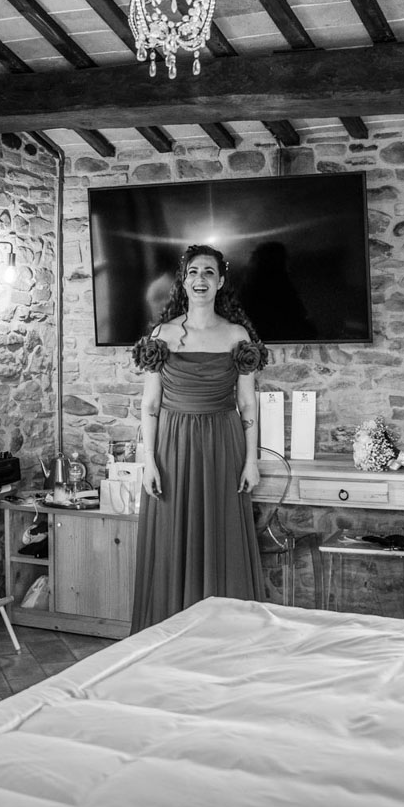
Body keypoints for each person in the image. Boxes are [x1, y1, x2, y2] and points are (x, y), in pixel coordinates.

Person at [130, 244, 268, 632]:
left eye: (208, 272)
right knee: (172, 538)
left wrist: (251, 461)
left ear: (220, 281)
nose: (200, 279)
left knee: (223, 537)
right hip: (172, 446)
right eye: (193, 272)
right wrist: (149, 461)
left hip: (222, 445)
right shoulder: (162, 335)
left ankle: (224, 634)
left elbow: (247, 404)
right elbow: (150, 405)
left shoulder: (237, 335)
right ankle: (171, 632)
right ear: (184, 281)